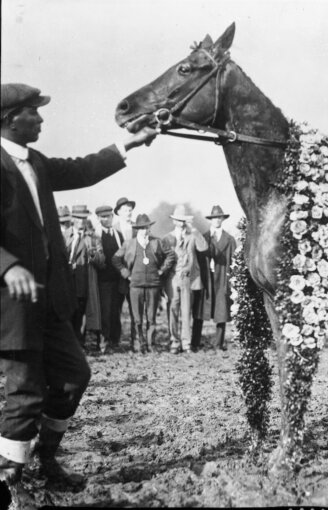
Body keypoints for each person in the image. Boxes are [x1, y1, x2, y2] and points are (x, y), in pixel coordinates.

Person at [0, 82, 157, 491]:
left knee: (73, 376)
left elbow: (83, 168)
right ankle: (8, 484)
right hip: (12, 305)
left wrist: (132, 144)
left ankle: (43, 461)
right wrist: (7, 266)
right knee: (25, 392)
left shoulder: (35, 161)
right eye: (33, 111)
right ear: (9, 118)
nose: (41, 118)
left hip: (50, 302)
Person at [112, 214, 175, 354]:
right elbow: (115, 259)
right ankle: (138, 344)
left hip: (153, 284)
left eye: (146, 228)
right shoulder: (129, 243)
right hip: (135, 285)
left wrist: (161, 270)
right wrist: (126, 274)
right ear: (137, 229)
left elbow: (170, 255)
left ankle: (151, 344)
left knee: (151, 317)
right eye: (141, 228)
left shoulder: (157, 242)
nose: (144, 231)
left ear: (149, 228)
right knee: (137, 318)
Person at [161, 205, 207, 354]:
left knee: (186, 311)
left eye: (183, 220)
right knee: (172, 309)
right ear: (174, 221)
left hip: (188, 279)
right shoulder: (167, 238)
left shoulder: (191, 235)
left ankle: (186, 343)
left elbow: (203, 247)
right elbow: (163, 260)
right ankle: (174, 342)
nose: (181, 223)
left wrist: (193, 229)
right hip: (172, 278)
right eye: (178, 220)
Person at [66, 205, 105, 349]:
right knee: (67, 312)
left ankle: (79, 344)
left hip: (83, 281)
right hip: (67, 281)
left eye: (83, 218)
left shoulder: (93, 238)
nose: (81, 221)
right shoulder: (65, 236)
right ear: (72, 219)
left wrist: (93, 254)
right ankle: (68, 345)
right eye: (78, 218)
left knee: (81, 313)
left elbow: (102, 261)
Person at [203, 206, 237, 351]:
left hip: (222, 275)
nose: (216, 220)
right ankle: (194, 342)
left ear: (222, 219)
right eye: (214, 218)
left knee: (221, 308)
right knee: (202, 308)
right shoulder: (203, 238)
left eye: (219, 218)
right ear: (210, 220)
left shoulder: (229, 239)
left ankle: (219, 343)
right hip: (207, 277)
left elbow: (235, 260)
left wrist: (232, 278)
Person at [95, 204, 126, 353]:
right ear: (98, 218)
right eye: (103, 217)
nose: (106, 219)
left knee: (116, 311)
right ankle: (103, 341)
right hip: (102, 281)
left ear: (113, 217)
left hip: (117, 280)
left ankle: (115, 340)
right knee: (105, 312)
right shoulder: (96, 235)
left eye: (109, 216)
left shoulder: (118, 235)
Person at [113, 196, 137, 346]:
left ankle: (135, 340)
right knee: (115, 310)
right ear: (118, 212)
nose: (128, 212)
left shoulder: (138, 227)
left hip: (135, 276)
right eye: (125, 210)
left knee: (136, 310)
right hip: (116, 275)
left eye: (130, 209)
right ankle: (115, 340)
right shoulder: (113, 228)